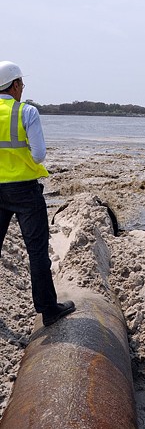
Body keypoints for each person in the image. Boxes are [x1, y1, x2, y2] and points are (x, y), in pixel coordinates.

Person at [0, 61, 75, 327]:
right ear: (16, 85)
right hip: (24, 191)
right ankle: (48, 309)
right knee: (36, 252)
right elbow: (39, 154)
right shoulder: (26, 112)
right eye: (22, 84)